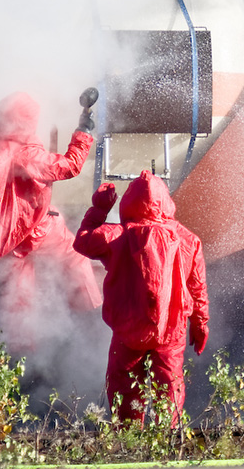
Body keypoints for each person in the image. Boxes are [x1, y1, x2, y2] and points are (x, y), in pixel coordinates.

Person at [0, 91, 102, 351]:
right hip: (35, 227)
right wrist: (83, 131)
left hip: (5, 239)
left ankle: (20, 355)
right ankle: (91, 311)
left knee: (19, 295)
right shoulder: (28, 155)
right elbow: (70, 166)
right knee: (75, 256)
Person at [73, 169, 209, 426]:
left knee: (124, 389)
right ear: (166, 201)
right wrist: (201, 322)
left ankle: (129, 441)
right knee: (169, 386)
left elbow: (81, 242)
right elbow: (197, 287)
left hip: (127, 331)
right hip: (171, 330)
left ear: (129, 202)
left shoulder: (116, 235)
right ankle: (165, 442)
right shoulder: (188, 239)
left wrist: (99, 210)